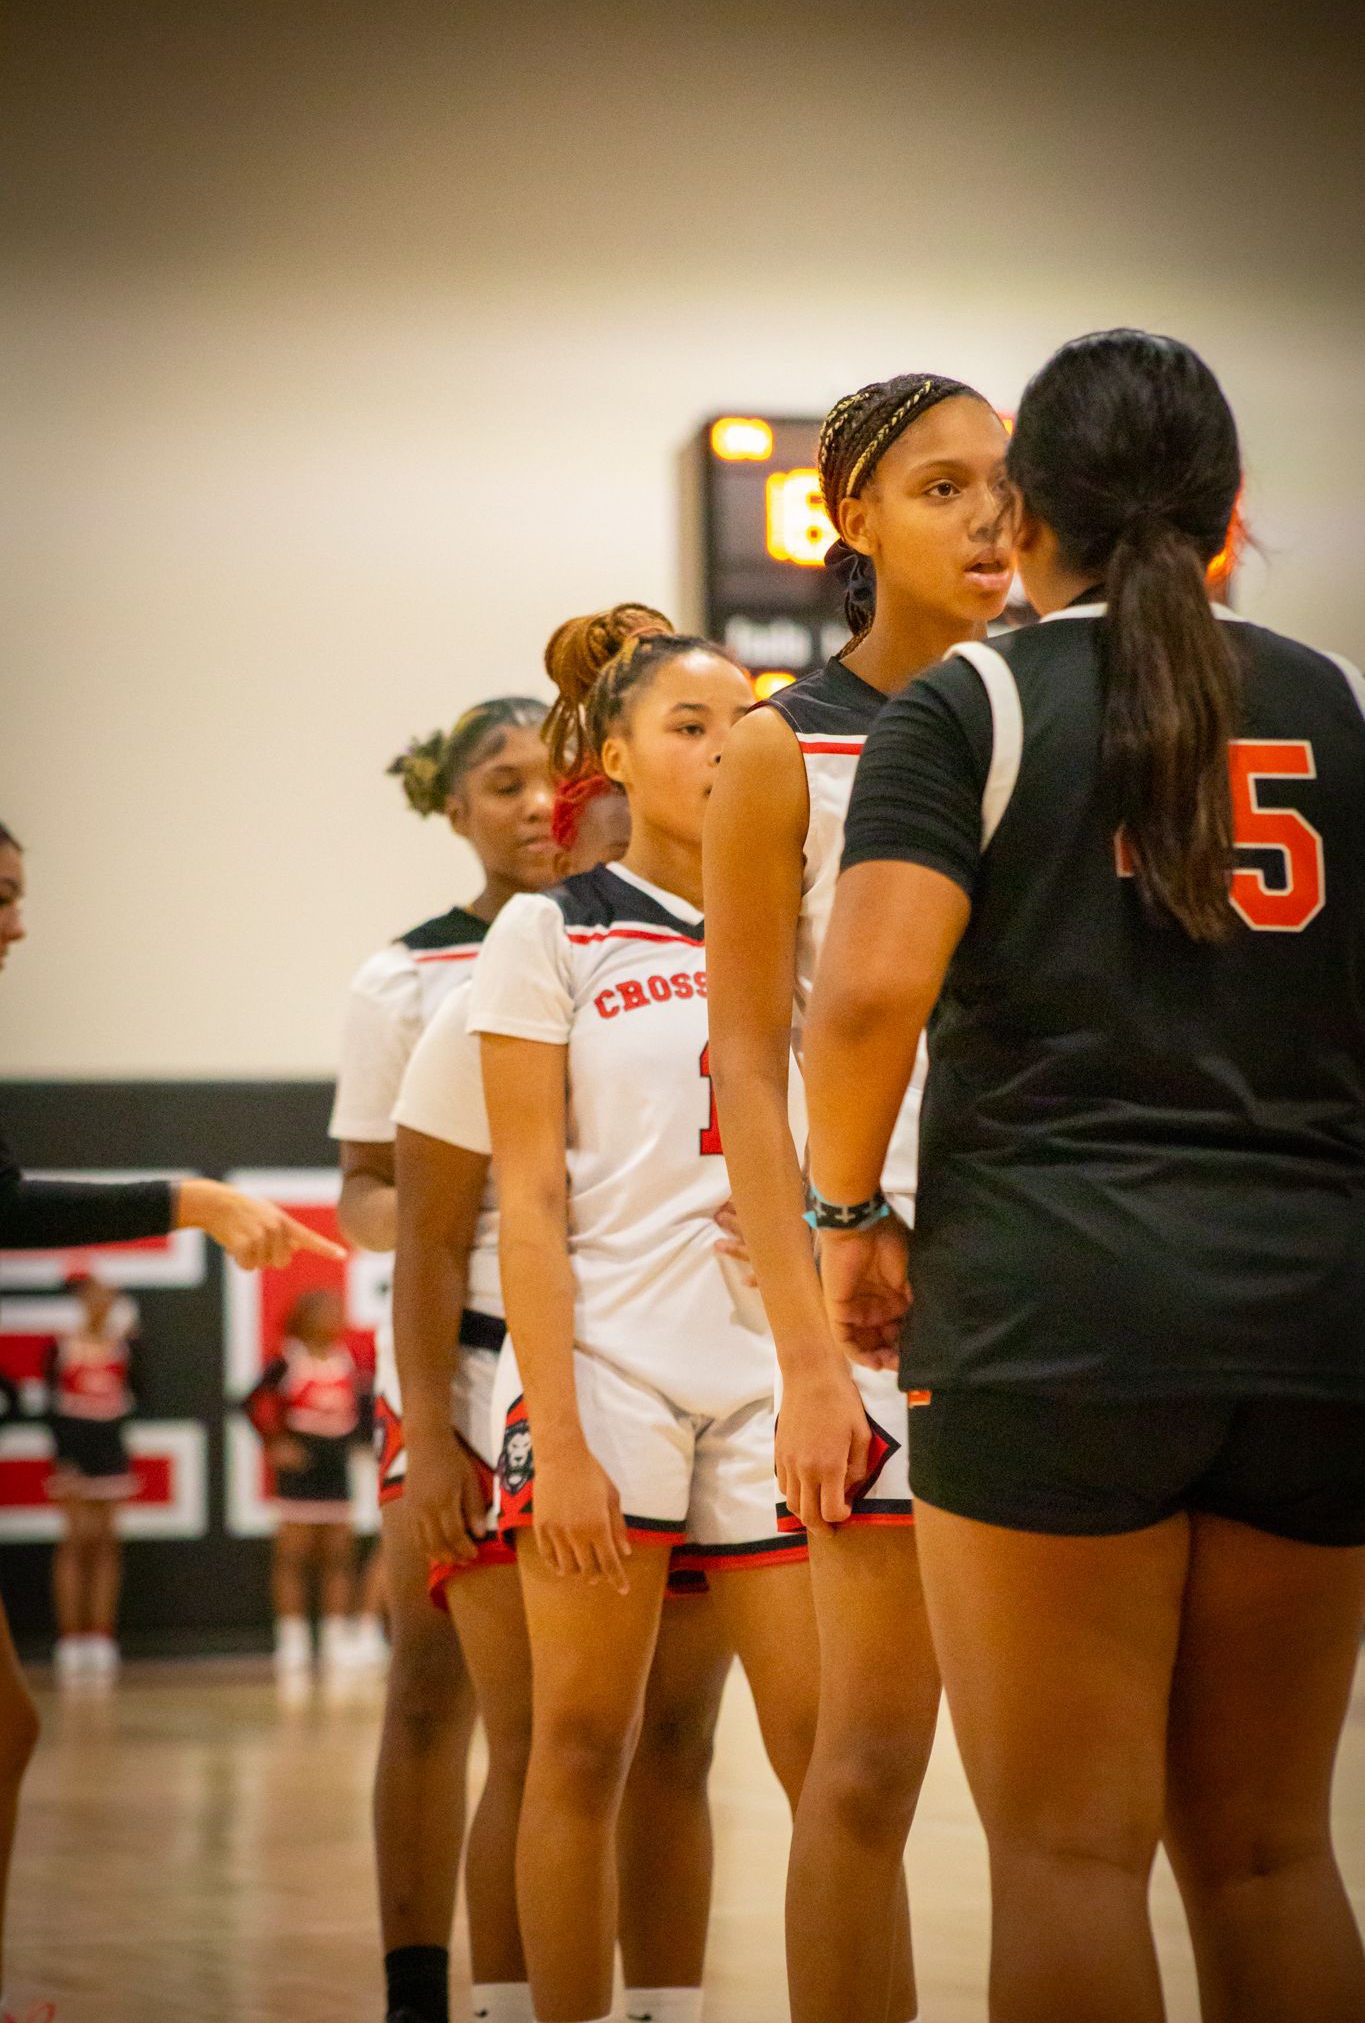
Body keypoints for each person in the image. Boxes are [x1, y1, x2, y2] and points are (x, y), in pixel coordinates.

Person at [802, 329, 1365, 2023]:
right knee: (1273, 1855)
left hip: (1052, 1308)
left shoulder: (967, 704)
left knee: (1067, 1858)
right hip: (1316, 1313)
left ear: (1026, 512)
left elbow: (867, 997)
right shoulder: (1336, 700)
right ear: (1230, 512)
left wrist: (847, 1216)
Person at [703, 372, 1012, 2022]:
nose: (987, 515)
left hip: (1051, 1279)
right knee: (870, 1759)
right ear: (852, 521)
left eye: (1003, 481)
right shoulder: (781, 746)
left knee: (1074, 1797)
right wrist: (809, 1358)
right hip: (871, 1301)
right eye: (940, 485)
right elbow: (748, 1072)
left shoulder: (1057, 707)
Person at [469, 607, 821, 2023]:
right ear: (612, 755)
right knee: (578, 1745)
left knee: (820, 1755)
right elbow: (527, 1202)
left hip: (773, 1374)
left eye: (746, 721)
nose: (727, 747)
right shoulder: (553, 927)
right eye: (689, 724)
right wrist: (555, 1434)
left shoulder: (811, 915)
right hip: (605, 1368)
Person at [396, 668, 734, 2023]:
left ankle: (665, 2005)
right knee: (541, 1736)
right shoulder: (518, 959)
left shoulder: (774, 927)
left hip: (725, 1383)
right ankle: (487, 2001)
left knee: (681, 1739)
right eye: (683, 724)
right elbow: (427, 1230)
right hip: (529, 1372)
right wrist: (432, 1433)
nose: (551, 807)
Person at [0, 817, 343, 2022]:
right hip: (90, 1452)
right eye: (0, 894)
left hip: (149, 1451)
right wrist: (187, 1196)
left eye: (20, 893)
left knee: (10, 1727)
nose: (18, 923)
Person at [328, 703, 561, 2023]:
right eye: (503, 782)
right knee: (433, 1684)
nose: (535, 803)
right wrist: (429, 1212)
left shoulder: (631, 939)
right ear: (453, 807)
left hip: (601, 1351)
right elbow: (364, 1187)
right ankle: (418, 1987)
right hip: (457, 1355)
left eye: (553, 777)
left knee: (590, 1716)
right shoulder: (405, 976)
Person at [245, 1287, 373, 1677]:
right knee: (293, 1556)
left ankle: (335, 1639)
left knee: (338, 1555)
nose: (336, 1318)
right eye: (326, 1310)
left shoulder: (346, 1360)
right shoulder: (287, 1361)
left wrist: (360, 1443)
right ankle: (293, 1641)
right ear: (305, 1317)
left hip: (336, 1467)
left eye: (338, 1311)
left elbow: (362, 1412)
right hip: (300, 1471)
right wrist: (275, 1442)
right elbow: (249, 1403)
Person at [45, 1274, 141, 1681]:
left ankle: (101, 1635)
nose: (102, 1304)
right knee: (76, 1541)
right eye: (94, 1297)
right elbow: (51, 1407)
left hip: (111, 1449)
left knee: (106, 1543)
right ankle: (71, 1637)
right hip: (74, 1451)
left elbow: (141, 1394)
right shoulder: (62, 1347)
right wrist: (64, 1458)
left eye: (108, 1298)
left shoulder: (126, 1347)